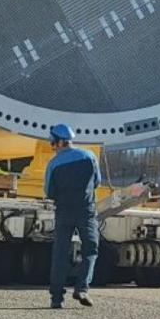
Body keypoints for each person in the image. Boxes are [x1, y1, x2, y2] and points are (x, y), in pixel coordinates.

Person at [43, 123, 100, 309]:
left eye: (53, 143)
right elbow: (97, 181)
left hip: (64, 212)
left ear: (57, 143)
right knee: (90, 249)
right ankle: (82, 289)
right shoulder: (90, 156)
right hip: (86, 210)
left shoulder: (53, 164)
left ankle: (56, 299)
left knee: (60, 254)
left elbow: (49, 191)